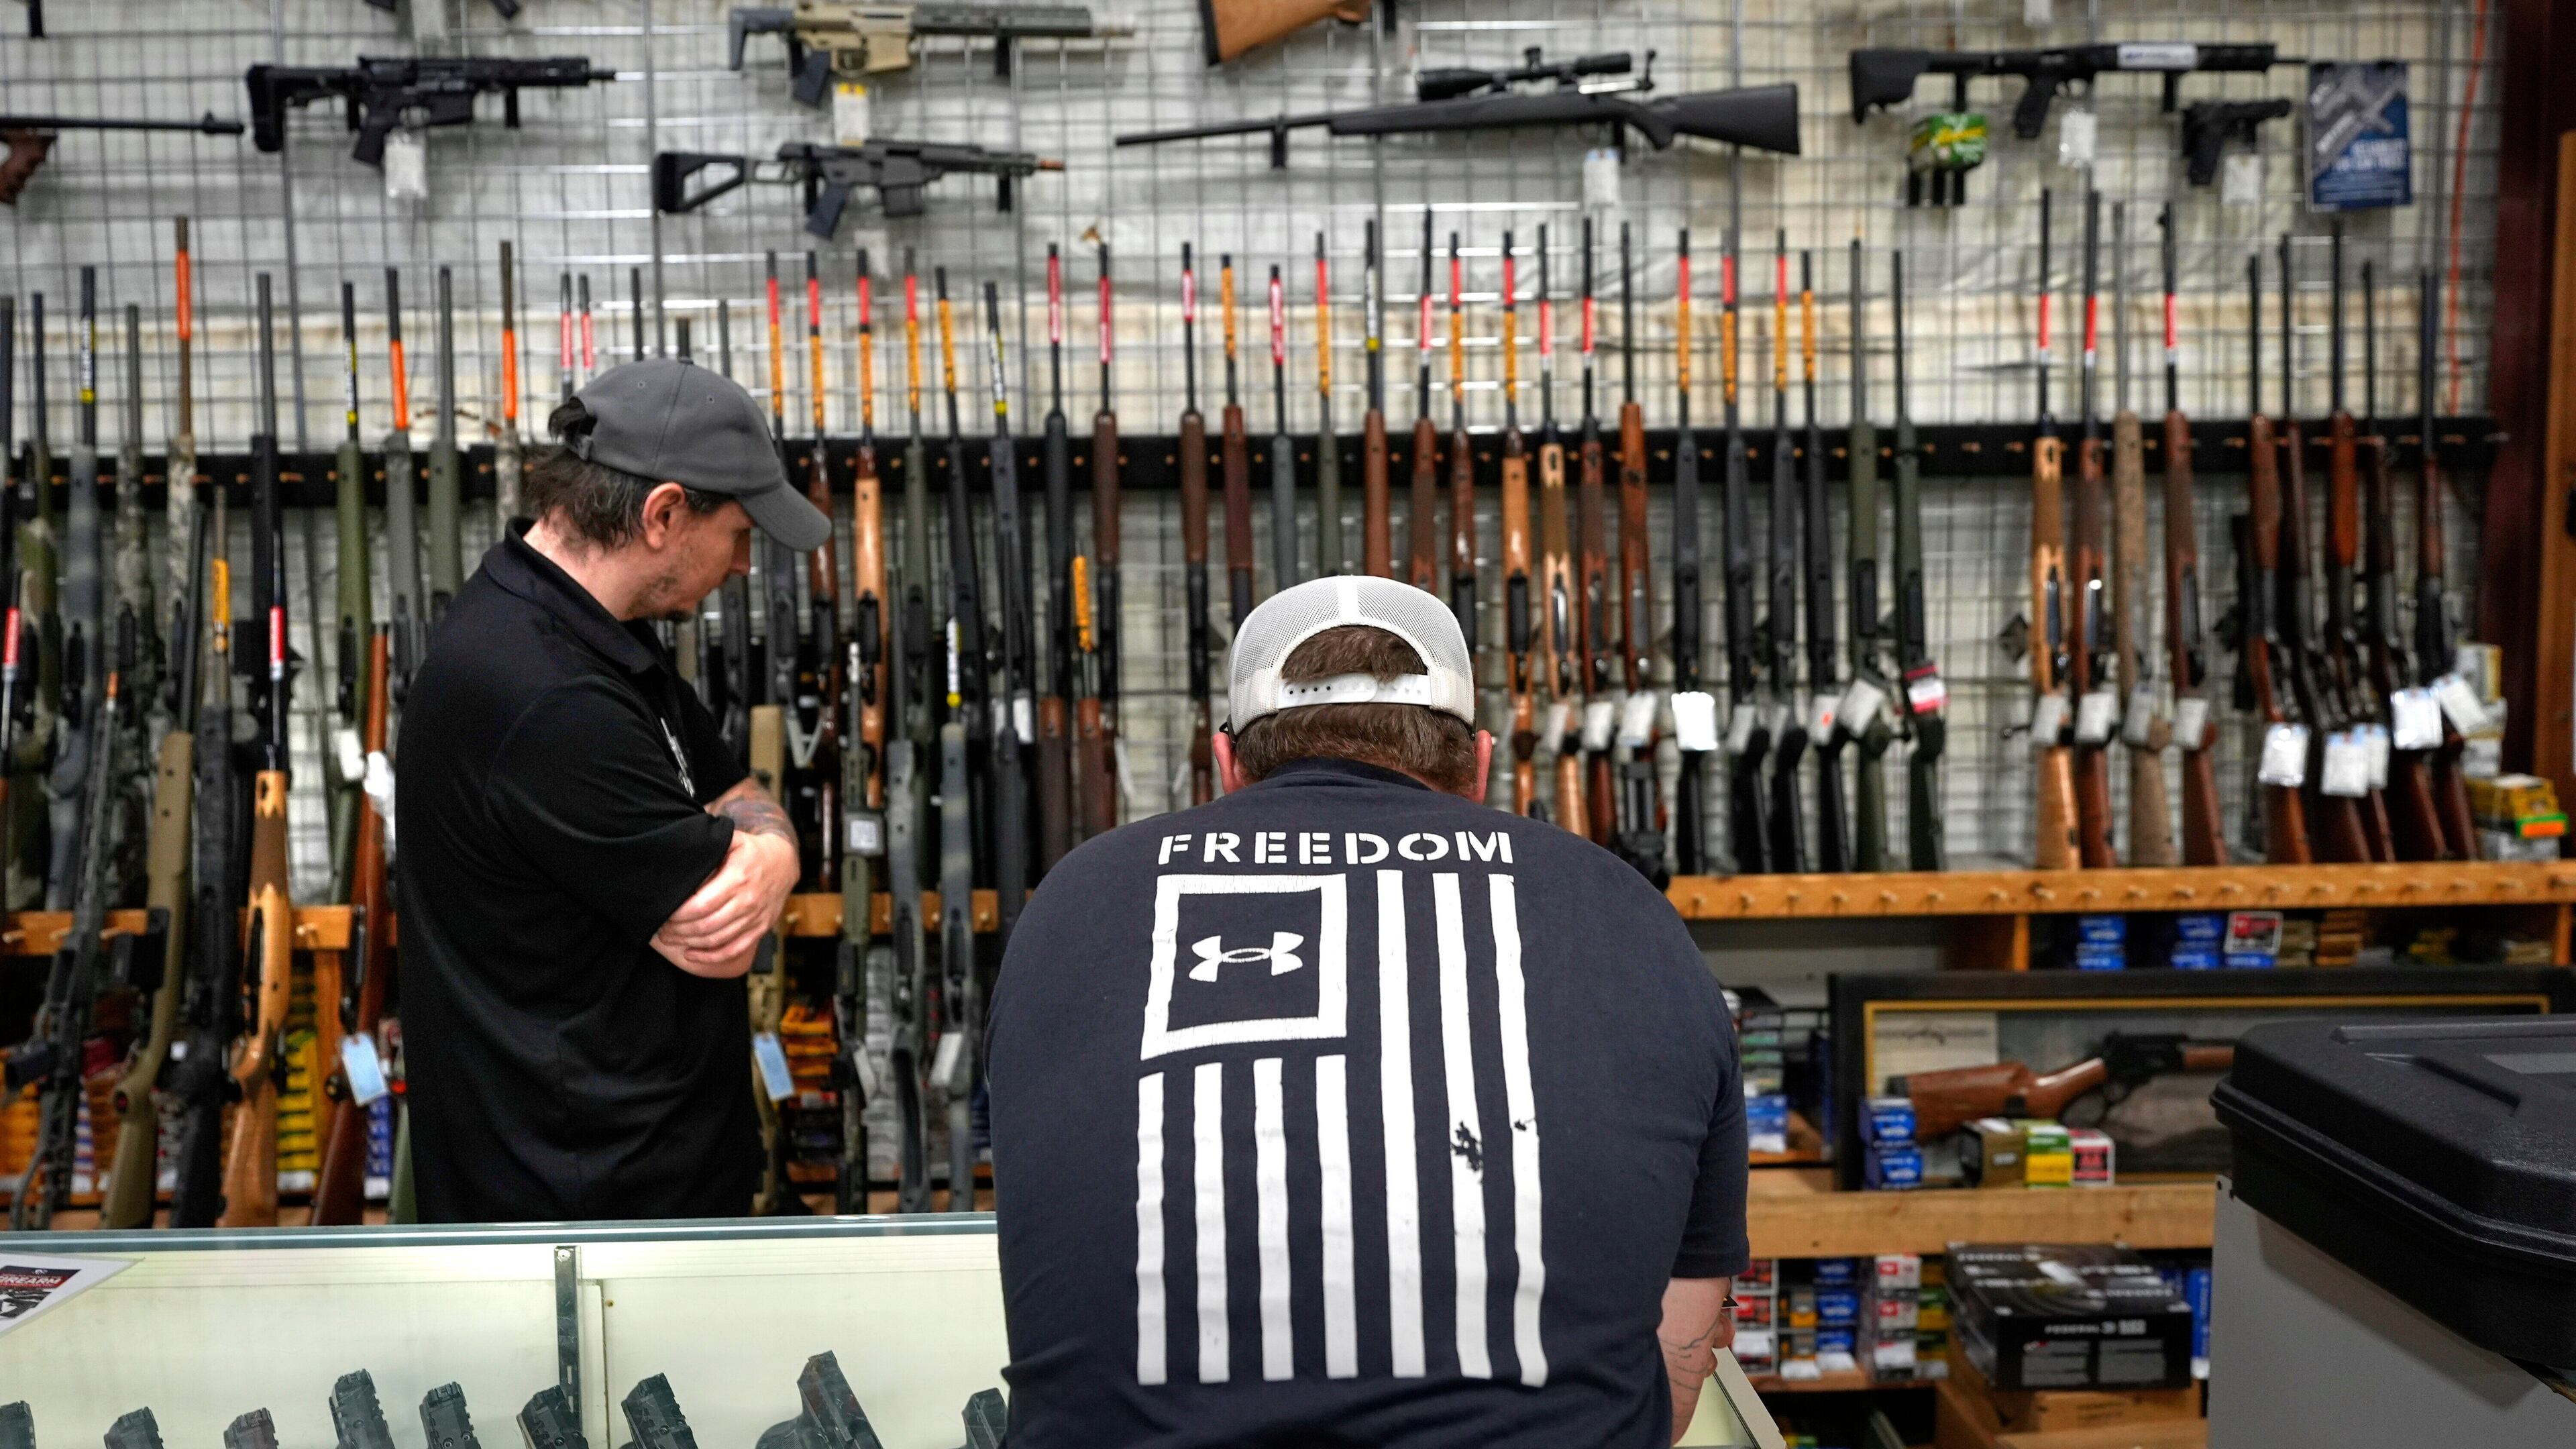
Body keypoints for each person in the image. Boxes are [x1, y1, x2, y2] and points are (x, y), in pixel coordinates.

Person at [988, 575, 1748, 1448]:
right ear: (1482, 766)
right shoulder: (1628, 913)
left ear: (1228, 763)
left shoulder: (1079, 902)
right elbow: (1675, 1375)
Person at [396, 357, 828, 1223]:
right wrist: (762, 851)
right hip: (582, 1220)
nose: (746, 564)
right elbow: (727, 928)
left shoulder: (586, 631)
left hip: (630, 1185)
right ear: (666, 513)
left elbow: (742, 795)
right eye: (740, 533)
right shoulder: (547, 695)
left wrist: (770, 852)